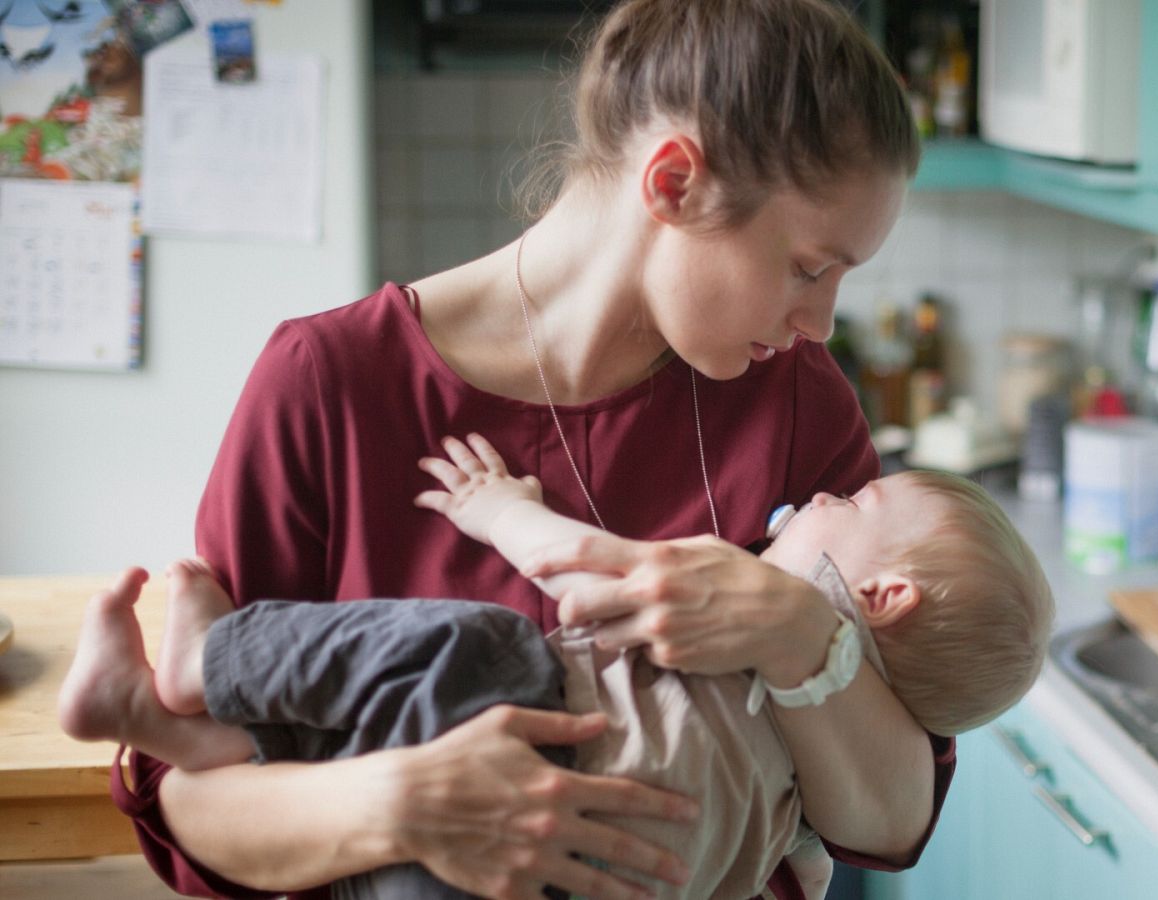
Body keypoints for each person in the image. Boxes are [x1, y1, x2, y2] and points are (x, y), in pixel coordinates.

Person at [109, 2, 950, 898]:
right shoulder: (328, 383)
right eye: (810, 269)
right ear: (672, 183)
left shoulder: (796, 402)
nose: (818, 324)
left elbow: (892, 821)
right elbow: (188, 798)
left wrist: (799, 634)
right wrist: (398, 806)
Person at [60, 434, 1055, 900]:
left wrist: (498, 508)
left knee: (478, 646)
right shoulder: (813, 799)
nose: (819, 502)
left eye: (854, 505)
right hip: (549, 884)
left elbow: (583, 579)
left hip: (546, 741)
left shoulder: (750, 602)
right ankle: (169, 727)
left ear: (880, 597)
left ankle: (204, 665)